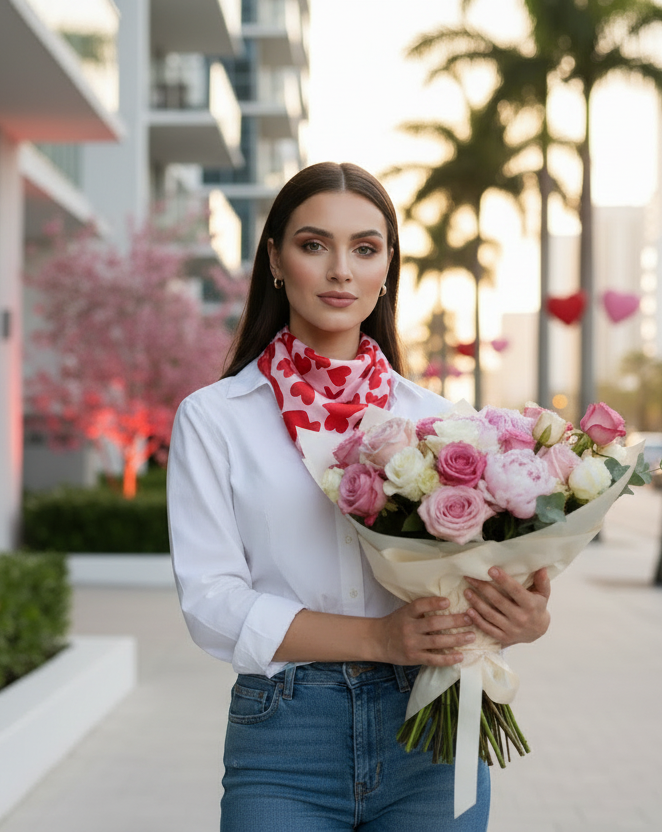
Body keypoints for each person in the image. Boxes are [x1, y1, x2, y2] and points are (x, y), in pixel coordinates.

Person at [167, 161, 553, 831]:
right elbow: (211, 603)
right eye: (314, 244)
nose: (341, 270)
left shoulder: (442, 422)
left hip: (430, 729)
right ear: (276, 260)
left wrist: (524, 620)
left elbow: (473, 582)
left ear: (387, 267)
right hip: (286, 739)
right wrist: (379, 638)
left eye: (365, 248)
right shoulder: (216, 417)